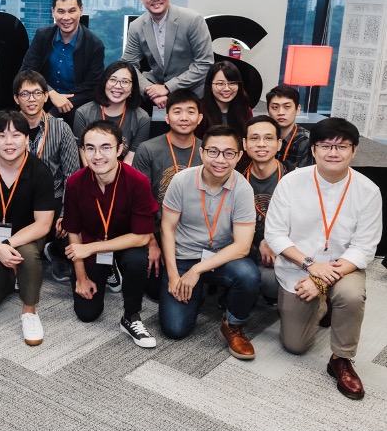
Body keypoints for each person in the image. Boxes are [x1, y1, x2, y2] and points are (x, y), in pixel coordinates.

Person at [265, 118, 382, 401]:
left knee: (352, 296)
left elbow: (365, 246)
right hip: (297, 267)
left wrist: (319, 277)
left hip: (344, 268)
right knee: (295, 345)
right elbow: (276, 234)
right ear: (314, 150)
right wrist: (309, 266)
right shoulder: (291, 183)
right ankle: (324, 305)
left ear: (354, 151)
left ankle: (341, 360)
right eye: (326, 146)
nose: (333, 152)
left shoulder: (368, 191)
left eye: (342, 146)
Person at [159, 125, 259, 360]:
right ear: (202, 153)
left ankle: (233, 324)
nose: (220, 160)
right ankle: (198, 291)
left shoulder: (243, 188)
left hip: (220, 257)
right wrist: (174, 276)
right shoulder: (181, 180)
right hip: (184, 256)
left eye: (228, 153)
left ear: (239, 156)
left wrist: (198, 270)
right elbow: (167, 228)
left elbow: (243, 246)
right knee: (175, 329)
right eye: (213, 152)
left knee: (249, 275)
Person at [62, 121, 159, 347]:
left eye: (106, 147)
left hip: (125, 244)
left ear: (119, 149)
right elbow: (74, 232)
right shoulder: (75, 182)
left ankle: (131, 316)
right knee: (87, 313)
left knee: (137, 259)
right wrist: (81, 277)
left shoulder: (138, 181)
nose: (97, 156)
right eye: (90, 148)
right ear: (83, 151)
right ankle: (107, 269)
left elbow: (142, 236)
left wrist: (91, 248)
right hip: (91, 242)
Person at [0, 110, 55, 345]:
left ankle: (29, 311)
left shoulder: (40, 172)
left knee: (26, 253)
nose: (8, 142)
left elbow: (43, 224)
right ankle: (12, 275)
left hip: (26, 238)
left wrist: (4, 246)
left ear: (27, 139)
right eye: (1, 135)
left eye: (16, 135)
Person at [133, 89, 204, 301]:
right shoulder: (148, 149)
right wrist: (151, 242)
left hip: (196, 233)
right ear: (166, 117)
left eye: (190, 112)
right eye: (177, 111)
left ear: (199, 118)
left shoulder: (207, 151)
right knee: (155, 290)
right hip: (157, 230)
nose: (184, 118)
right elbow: (140, 203)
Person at [12, 70, 80, 283]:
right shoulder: (8, 128)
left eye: (37, 93)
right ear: (16, 98)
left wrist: (65, 213)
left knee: (72, 230)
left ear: (46, 96)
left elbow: (72, 176)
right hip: (17, 197)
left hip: (53, 198)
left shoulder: (61, 128)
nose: (31, 99)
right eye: (25, 94)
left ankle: (56, 251)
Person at [121, 0, 214, 109]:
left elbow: (204, 63)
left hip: (194, 91)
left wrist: (168, 87)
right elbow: (129, 64)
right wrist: (149, 89)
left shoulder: (193, 20)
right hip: (158, 87)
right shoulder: (137, 26)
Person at [20, 0, 105, 124]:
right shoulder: (43, 36)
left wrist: (57, 109)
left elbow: (92, 87)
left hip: (76, 103)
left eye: (72, 11)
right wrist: (51, 93)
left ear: (81, 10)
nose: (66, 18)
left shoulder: (94, 45)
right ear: (53, 11)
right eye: (61, 11)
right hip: (43, 96)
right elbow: (27, 71)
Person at [241, 115, 290, 303]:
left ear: (279, 144)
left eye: (268, 138)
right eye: (254, 138)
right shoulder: (235, 174)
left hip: (284, 247)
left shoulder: (293, 177)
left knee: (271, 285)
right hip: (245, 245)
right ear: (244, 144)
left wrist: (275, 243)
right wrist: (261, 240)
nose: (261, 144)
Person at [71, 60, 150, 164]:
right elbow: (85, 156)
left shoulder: (142, 118)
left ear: (132, 88)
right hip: (92, 171)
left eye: (125, 82)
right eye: (113, 80)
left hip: (123, 174)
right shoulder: (83, 113)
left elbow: (130, 159)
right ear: (104, 83)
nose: (118, 86)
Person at [196, 61, 254, 140]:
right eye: (220, 84)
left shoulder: (245, 110)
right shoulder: (199, 111)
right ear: (210, 85)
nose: (226, 88)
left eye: (232, 83)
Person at [266, 84, 312, 169]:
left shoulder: (308, 141)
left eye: (287, 107)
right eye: (275, 107)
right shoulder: (262, 138)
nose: (280, 112)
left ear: (297, 109)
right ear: (268, 110)